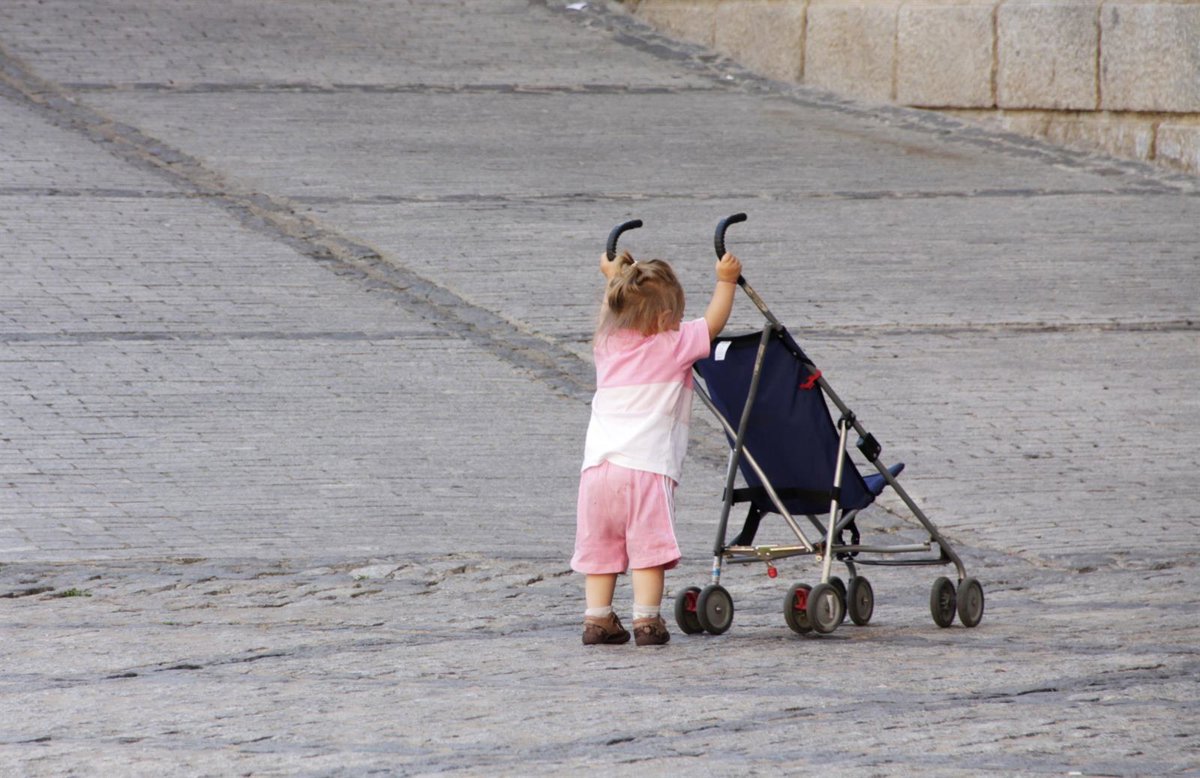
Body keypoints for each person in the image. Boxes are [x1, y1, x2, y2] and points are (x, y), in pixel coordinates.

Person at [573, 246, 742, 646]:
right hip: (647, 469)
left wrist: (612, 278)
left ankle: (597, 619)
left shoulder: (607, 343)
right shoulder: (673, 343)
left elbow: (611, 312)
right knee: (648, 550)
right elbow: (713, 322)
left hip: (597, 471)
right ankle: (647, 621)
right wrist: (726, 281)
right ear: (666, 318)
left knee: (601, 548)